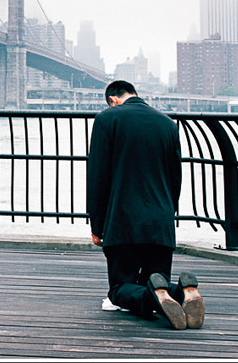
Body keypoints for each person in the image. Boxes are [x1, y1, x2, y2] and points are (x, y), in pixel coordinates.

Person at [86, 80, 205, 329]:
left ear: (113, 100)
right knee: (156, 280)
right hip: (160, 222)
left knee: (119, 290)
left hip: (123, 221)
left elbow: (98, 176)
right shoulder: (167, 123)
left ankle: (157, 298)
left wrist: (97, 224)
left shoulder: (107, 118)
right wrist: (168, 216)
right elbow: (175, 178)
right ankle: (182, 292)